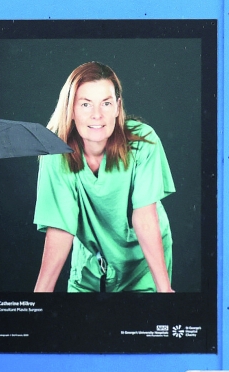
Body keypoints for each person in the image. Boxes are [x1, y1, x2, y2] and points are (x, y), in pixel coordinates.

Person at [33, 61, 176, 293]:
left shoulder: (144, 142)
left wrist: (164, 290)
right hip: (90, 267)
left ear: (118, 107)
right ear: (71, 109)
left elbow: (145, 218)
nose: (97, 115)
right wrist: (37, 302)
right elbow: (60, 229)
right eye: (86, 104)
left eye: (106, 103)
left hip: (143, 266)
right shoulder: (55, 153)